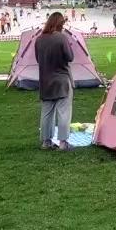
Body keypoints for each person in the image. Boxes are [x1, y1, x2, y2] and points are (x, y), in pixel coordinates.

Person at [35, 12, 74, 150]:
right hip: (61, 80)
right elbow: (70, 57)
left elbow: (38, 59)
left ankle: (46, 142)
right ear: (60, 24)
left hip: (45, 81)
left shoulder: (39, 40)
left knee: (46, 113)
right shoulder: (61, 38)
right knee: (63, 112)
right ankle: (63, 143)